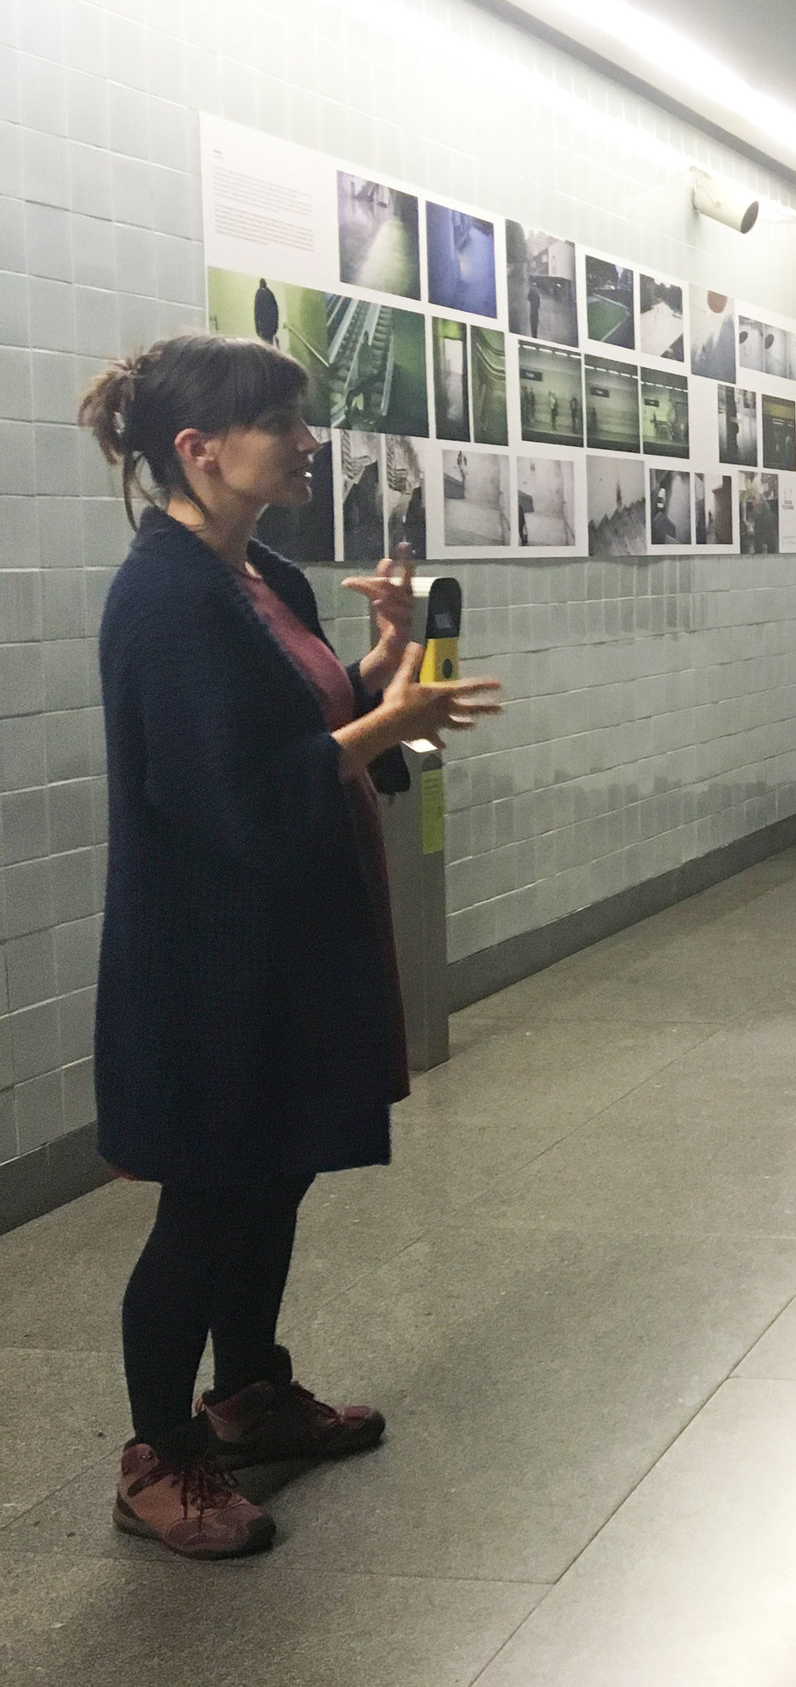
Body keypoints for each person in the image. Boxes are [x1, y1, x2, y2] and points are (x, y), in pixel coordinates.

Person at [80, 334, 504, 1558]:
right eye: (281, 423)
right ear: (199, 452)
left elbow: (296, 720)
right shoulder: (162, 595)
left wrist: (373, 671)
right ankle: (158, 1455)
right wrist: (389, 721)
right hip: (209, 958)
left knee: (275, 1172)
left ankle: (250, 1390)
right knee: (208, 1202)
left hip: (286, 939)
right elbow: (229, 799)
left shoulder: (258, 571)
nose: (307, 441)